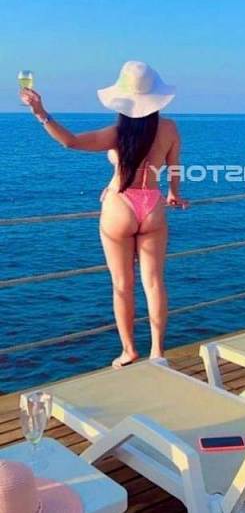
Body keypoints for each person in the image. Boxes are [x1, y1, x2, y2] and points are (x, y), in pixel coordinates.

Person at [21, 60, 185, 368]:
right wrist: (174, 192)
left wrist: (40, 113)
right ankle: (157, 352)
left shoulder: (118, 133)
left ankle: (129, 351)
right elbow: (174, 166)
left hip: (119, 206)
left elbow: (70, 141)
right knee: (154, 283)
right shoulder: (170, 129)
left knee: (122, 285)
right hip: (152, 205)